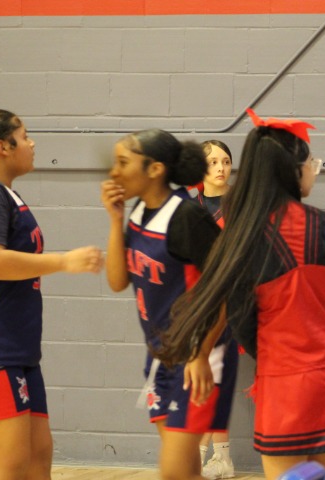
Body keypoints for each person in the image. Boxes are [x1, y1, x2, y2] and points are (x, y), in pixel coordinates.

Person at [153, 109, 325, 480]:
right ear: (293, 171)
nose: (313, 170)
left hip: (282, 379)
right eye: (311, 163)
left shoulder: (241, 236)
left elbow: (242, 322)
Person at [0, 109, 103, 479]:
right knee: (6, 468)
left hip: (19, 349)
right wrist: (64, 261)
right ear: (3, 147)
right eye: (24, 136)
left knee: (38, 462)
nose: (32, 143)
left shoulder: (6, 193)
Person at [100, 129, 238, 480]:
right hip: (161, 354)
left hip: (199, 354)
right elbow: (117, 281)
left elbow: (225, 290)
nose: (114, 172)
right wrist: (115, 219)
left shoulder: (187, 216)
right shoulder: (138, 212)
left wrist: (200, 353)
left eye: (123, 162)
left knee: (174, 471)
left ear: (154, 169)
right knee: (185, 469)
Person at [194, 139, 236, 479]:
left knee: (215, 376)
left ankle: (207, 455)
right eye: (213, 162)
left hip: (229, 300)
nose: (221, 167)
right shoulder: (187, 206)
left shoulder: (241, 204)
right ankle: (216, 456)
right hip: (194, 302)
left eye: (225, 161)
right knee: (202, 377)